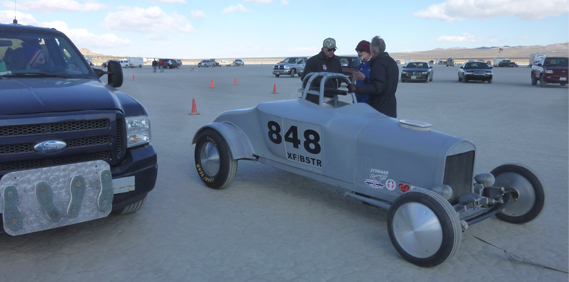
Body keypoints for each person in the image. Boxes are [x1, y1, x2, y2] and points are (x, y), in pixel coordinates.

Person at [348, 36, 399, 118]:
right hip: (388, 107)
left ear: (372, 50)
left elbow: (377, 87)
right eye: (357, 51)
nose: (359, 53)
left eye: (361, 50)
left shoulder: (378, 64)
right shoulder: (391, 62)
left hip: (379, 108)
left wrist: (357, 89)